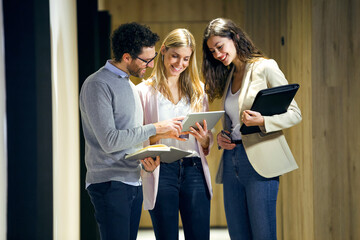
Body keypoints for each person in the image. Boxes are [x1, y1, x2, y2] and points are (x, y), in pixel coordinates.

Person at [79, 22, 184, 240]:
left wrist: (146, 159)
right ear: (127, 57)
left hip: (132, 179)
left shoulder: (129, 84)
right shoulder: (97, 84)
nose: (151, 65)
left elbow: (131, 137)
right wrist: (155, 128)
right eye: (146, 60)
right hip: (109, 183)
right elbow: (110, 141)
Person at [202, 18, 302, 240]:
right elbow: (233, 121)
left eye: (220, 47)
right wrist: (222, 137)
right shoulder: (228, 75)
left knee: (263, 234)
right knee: (238, 235)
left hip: (259, 162)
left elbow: (295, 113)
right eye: (212, 51)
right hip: (231, 161)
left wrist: (263, 121)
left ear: (235, 38)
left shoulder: (265, 66)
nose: (217, 54)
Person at [136, 28, 213, 240]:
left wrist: (205, 138)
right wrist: (161, 133)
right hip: (162, 170)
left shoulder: (199, 91)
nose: (180, 64)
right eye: (175, 56)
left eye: (186, 58)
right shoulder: (144, 92)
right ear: (163, 51)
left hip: (194, 169)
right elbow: (136, 136)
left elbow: (208, 139)